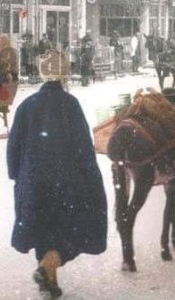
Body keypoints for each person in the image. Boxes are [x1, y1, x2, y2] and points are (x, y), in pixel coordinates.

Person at [7, 49, 107, 298]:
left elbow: (13, 146)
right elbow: (84, 146)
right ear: (64, 76)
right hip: (66, 183)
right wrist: (90, 176)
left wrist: (18, 176)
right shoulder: (70, 105)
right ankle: (47, 267)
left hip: (33, 181)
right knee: (71, 230)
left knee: (42, 230)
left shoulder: (27, 105)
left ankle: (49, 283)